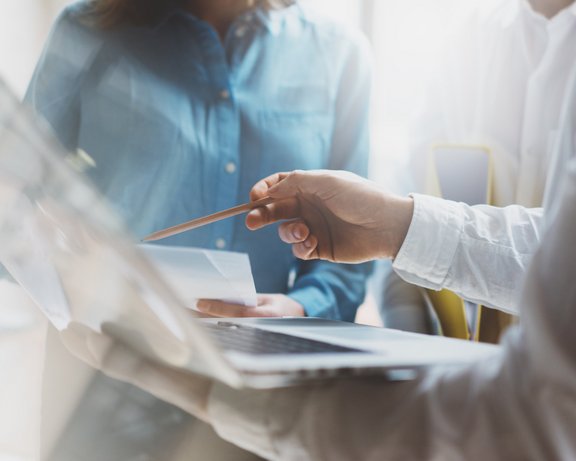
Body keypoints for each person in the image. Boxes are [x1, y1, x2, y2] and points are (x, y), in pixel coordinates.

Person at [69, 63, 576, 459]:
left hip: (270, 388)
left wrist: (294, 320)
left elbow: (532, 426)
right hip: (110, 384)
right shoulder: (88, 28)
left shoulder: (340, 54)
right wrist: (397, 225)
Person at [25, 0, 372, 321]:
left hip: (264, 367)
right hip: (103, 352)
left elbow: (349, 241)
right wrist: (62, 268)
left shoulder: (339, 53)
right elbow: (14, 195)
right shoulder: (86, 29)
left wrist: (302, 308)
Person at [379, 0, 576, 334]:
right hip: (470, 367)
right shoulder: (464, 39)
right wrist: (409, 343)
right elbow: (412, 190)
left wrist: (396, 226)